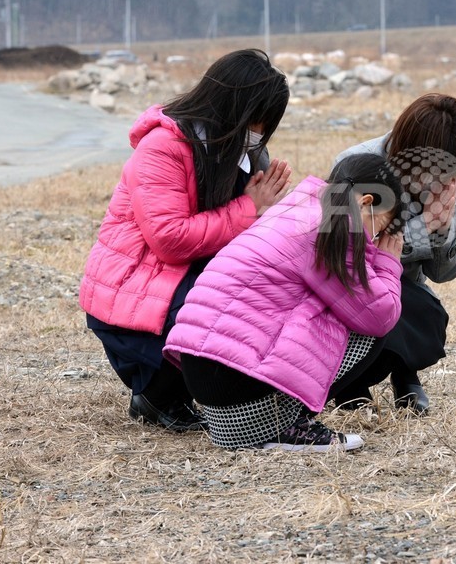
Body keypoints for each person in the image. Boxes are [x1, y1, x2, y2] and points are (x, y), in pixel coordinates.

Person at [79, 49, 291, 432]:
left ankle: (221, 397)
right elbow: (170, 240)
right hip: (136, 292)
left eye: (266, 123)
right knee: (220, 313)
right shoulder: (162, 147)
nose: (259, 130)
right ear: (232, 108)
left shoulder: (244, 153)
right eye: (256, 119)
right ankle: (158, 396)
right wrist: (249, 208)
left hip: (182, 283)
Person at [163, 153, 405, 451]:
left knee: (333, 305)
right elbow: (380, 315)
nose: (377, 237)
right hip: (240, 391)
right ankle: (286, 427)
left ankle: (271, 423)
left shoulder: (294, 209)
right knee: (365, 327)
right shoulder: (333, 226)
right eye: (381, 226)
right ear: (367, 202)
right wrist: (387, 262)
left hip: (210, 386)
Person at [332, 93, 456, 415]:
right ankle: (350, 384)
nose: (438, 181)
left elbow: (445, 273)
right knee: (376, 308)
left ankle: (405, 375)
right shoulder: (355, 165)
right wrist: (424, 225)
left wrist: (442, 232)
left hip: (406, 288)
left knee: (428, 314)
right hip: (352, 287)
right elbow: (346, 256)